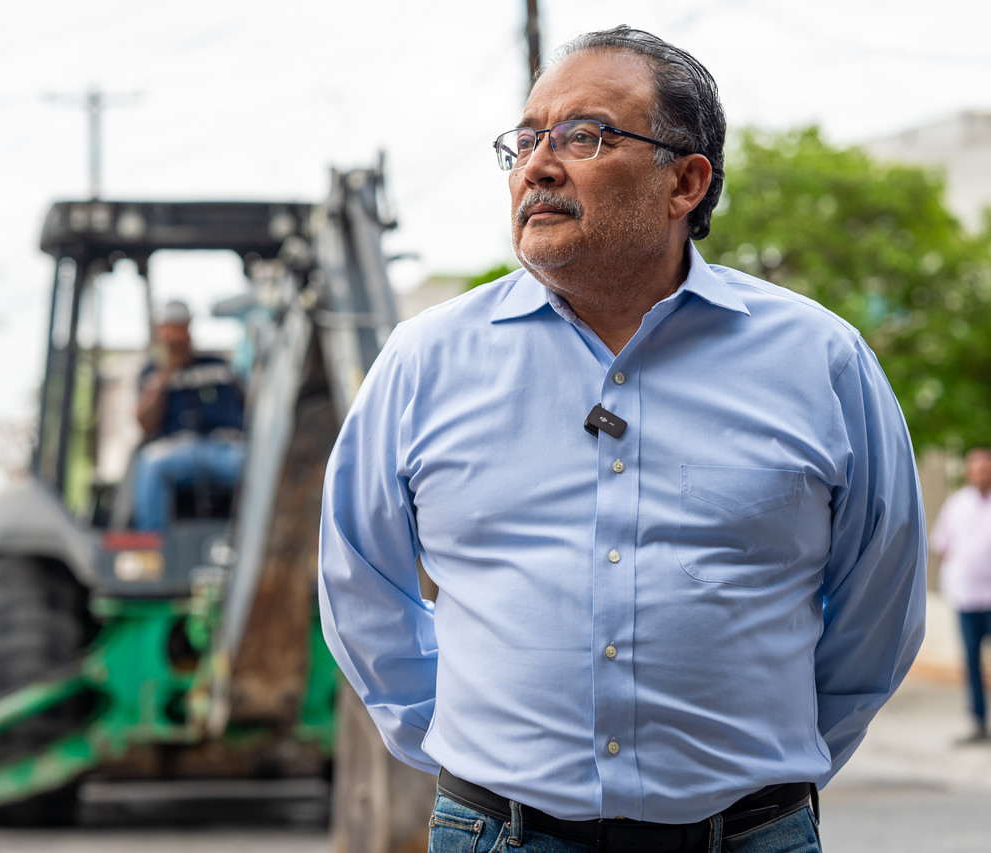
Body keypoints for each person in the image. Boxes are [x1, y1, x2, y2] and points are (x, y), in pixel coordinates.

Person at [318, 25, 926, 853]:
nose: (537, 165)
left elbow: (879, 607)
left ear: (685, 182)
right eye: (525, 140)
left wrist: (757, 771)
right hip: (501, 833)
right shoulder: (426, 362)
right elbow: (360, 582)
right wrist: (470, 749)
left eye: (583, 136)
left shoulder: (820, 361)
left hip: (748, 834)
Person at [130, 299, 246, 532]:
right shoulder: (152, 374)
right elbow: (144, 422)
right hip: (177, 450)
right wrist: (167, 371)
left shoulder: (218, 365)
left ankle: (254, 538)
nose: (176, 338)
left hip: (226, 447)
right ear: (160, 333)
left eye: (180, 328)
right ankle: (153, 545)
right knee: (151, 465)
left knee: (256, 465)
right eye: (169, 329)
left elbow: (247, 407)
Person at [930, 446, 991, 745]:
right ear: (968, 472)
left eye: (986, 468)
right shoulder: (956, 505)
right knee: (971, 663)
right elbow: (941, 544)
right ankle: (979, 723)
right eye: (976, 468)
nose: (981, 473)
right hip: (966, 599)